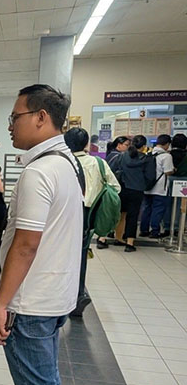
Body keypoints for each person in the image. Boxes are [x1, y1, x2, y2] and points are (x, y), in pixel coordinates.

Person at [0, 84, 83, 385]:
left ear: (42, 117)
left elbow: (26, 244)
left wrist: (2, 301)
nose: (11, 126)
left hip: (33, 301)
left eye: (16, 117)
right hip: (55, 294)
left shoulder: (39, 172)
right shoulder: (67, 164)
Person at [65, 128, 120, 317]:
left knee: (61, 253)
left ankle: (63, 294)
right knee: (81, 254)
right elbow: (115, 187)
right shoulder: (99, 163)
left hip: (66, 214)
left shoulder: (63, 162)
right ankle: (78, 294)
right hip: (90, 214)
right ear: (86, 144)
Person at [96, 135, 131, 249]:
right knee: (119, 214)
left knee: (109, 212)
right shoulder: (120, 156)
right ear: (119, 145)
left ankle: (103, 237)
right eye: (126, 145)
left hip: (108, 188)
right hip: (118, 188)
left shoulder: (110, 155)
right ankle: (113, 238)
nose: (128, 147)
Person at [115, 137, 148, 252]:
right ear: (143, 147)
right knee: (133, 216)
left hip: (123, 188)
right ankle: (130, 243)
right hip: (137, 190)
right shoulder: (146, 159)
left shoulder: (122, 156)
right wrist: (144, 185)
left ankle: (116, 237)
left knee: (119, 214)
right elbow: (150, 176)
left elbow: (116, 169)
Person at [140, 134, 174, 238]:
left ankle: (143, 230)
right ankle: (154, 231)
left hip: (147, 187)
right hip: (160, 188)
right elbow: (168, 171)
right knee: (158, 210)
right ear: (167, 144)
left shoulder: (148, 154)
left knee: (146, 209)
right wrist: (173, 170)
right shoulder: (166, 156)